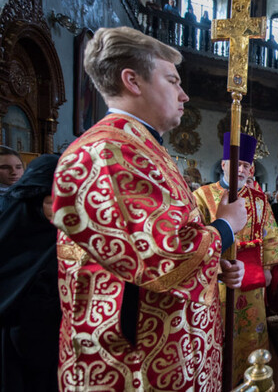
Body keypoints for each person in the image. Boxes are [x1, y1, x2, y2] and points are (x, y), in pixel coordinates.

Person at [51, 27, 248, 391]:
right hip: (134, 362)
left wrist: (214, 269)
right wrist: (224, 228)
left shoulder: (140, 148)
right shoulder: (108, 153)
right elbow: (160, 256)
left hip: (168, 347)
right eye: (172, 81)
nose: (184, 95)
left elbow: (143, 248)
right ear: (133, 81)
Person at [193, 132, 278, 385]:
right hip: (217, 278)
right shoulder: (202, 195)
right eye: (236, 164)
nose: (242, 170)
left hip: (252, 280)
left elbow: (270, 234)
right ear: (224, 164)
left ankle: (251, 380)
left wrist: (267, 268)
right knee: (218, 331)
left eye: (246, 165)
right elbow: (196, 238)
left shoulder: (259, 199)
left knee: (251, 332)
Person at [0, 155, 60, 391]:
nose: (62, 210)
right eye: (53, 201)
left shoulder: (67, 239)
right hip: (19, 348)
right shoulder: (13, 238)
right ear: (34, 200)